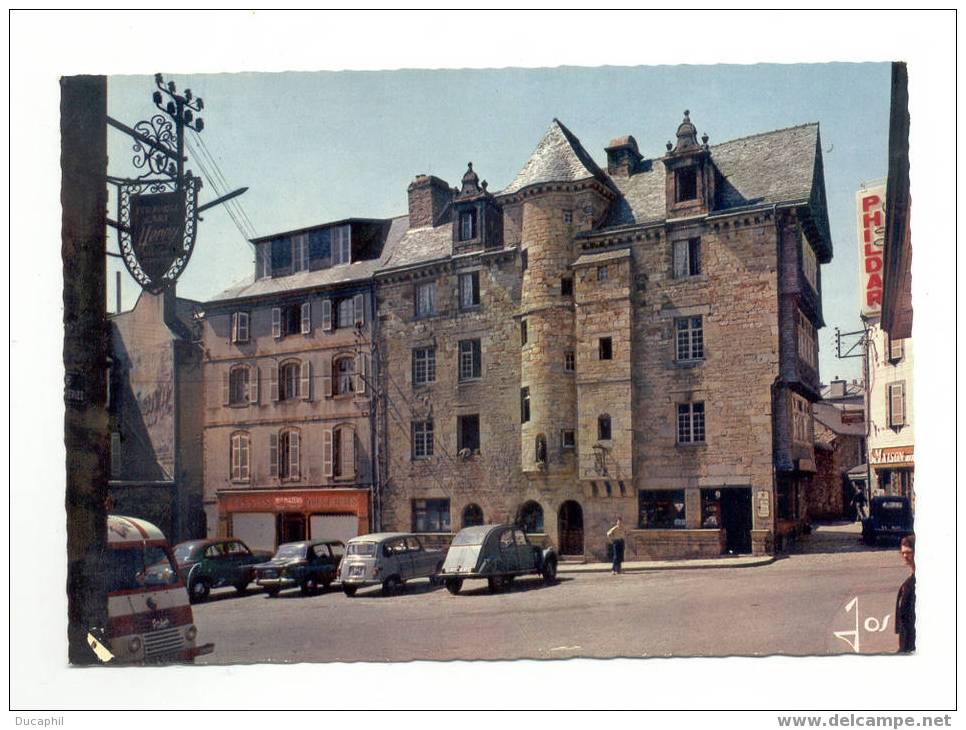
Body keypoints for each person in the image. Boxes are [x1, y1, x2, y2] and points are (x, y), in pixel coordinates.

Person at [896, 534, 916, 653]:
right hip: (905, 644)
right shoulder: (909, 582)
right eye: (902, 552)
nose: (905, 556)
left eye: (908, 552)